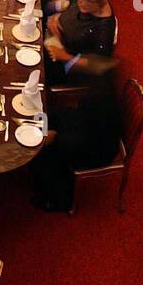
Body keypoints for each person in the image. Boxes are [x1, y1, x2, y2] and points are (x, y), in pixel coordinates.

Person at [30, 55, 121, 211]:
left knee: (47, 151)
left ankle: (56, 199)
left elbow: (90, 138)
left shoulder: (101, 96)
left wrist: (56, 137)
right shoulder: (100, 81)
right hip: (87, 126)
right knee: (48, 116)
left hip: (98, 147)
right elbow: (82, 114)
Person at [44, 0, 117, 84]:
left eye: (86, 0)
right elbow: (71, 6)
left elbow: (97, 64)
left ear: (99, 3)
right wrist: (56, 17)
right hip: (53, 35)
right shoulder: (85, 1)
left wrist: (65, 56)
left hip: (65, 60)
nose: (80, 1)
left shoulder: (104, 29)